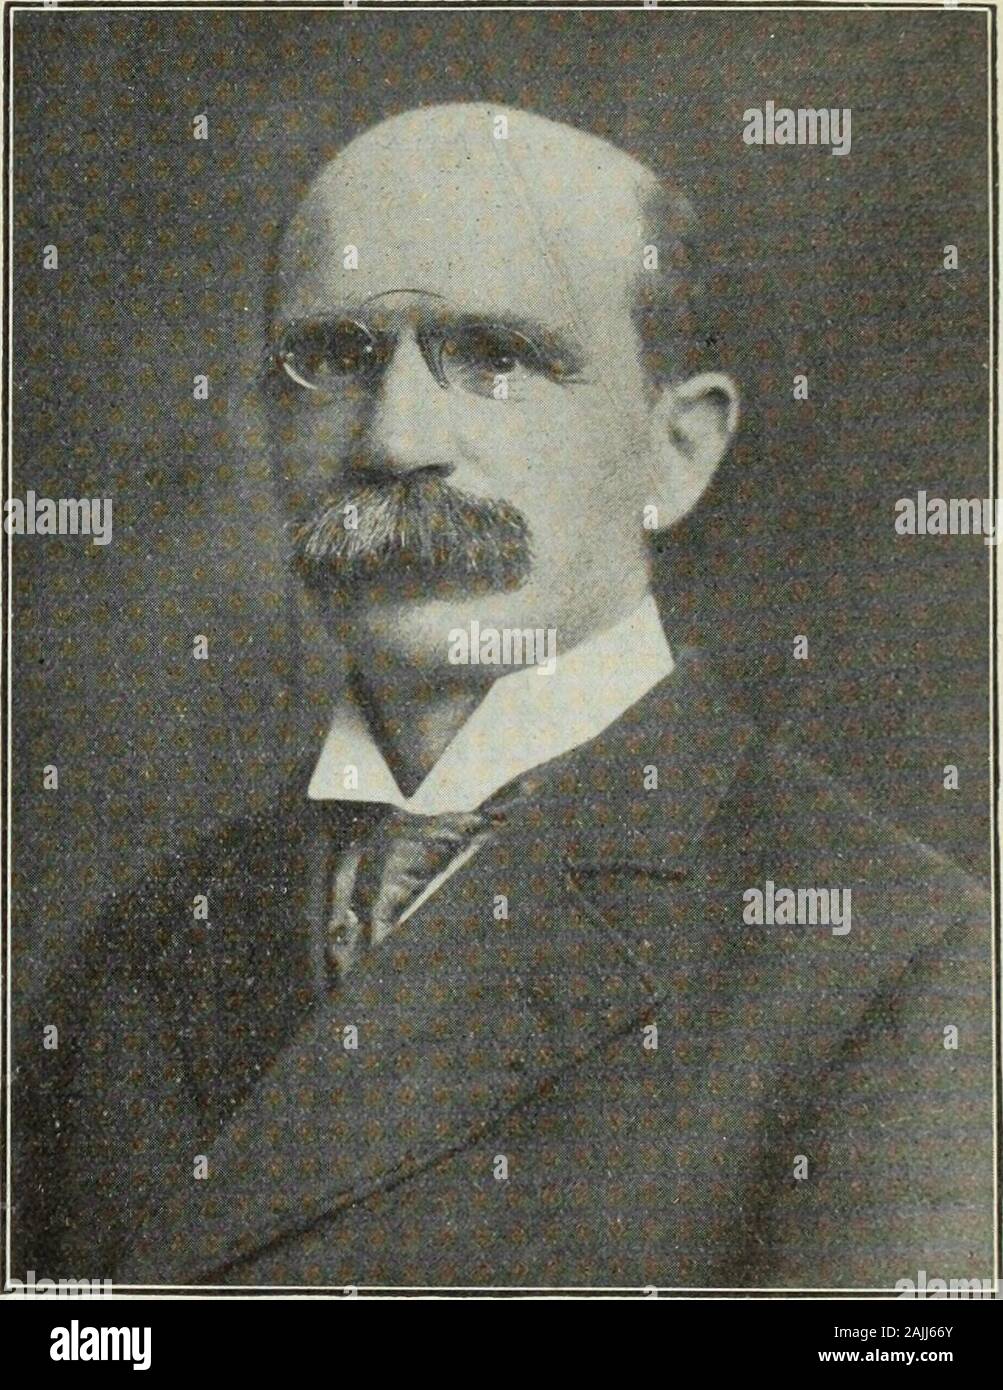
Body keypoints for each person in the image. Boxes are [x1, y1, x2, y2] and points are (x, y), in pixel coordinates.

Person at [15, 103, 992, 1291]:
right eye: (332, 358)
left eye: (495, 357)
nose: (394, 441)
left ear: (676, 451)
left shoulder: (899, 964)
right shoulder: (130, 959)